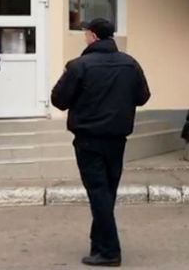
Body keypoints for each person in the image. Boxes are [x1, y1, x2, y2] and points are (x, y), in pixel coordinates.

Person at [51, 18, 150, 267]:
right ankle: (99, 243)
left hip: (89, 138)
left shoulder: (79, 66)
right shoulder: (130, 64)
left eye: (86, 33)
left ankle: (109, 251)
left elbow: (59, 100)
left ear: (93, 36)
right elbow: (143, 96)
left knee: (98, 192)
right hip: (117, 137)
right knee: (106, 191)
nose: (85, 37)